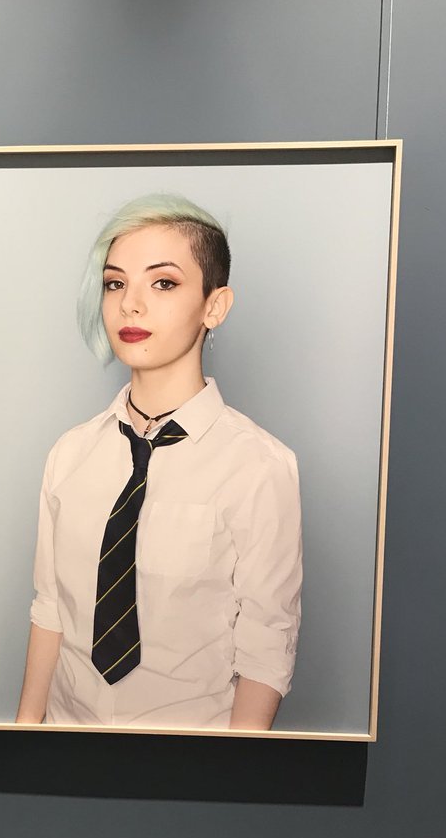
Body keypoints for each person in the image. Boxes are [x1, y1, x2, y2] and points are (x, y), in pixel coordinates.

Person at [16, 194, 302, 732]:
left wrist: (231, 774)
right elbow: (50, 609)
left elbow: (269, 640)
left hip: (195, 765)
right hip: (66, 748)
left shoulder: (259, 466)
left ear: (214, 306)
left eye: (163, 283)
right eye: (115, 283)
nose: (130, 305)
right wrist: (24, 738)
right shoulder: (70, 454)